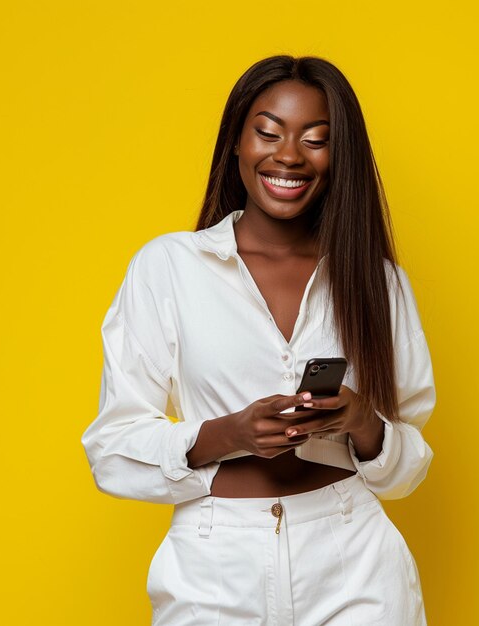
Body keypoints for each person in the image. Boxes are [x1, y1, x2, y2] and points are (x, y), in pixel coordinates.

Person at [82, 54, 436, 626]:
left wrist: (361, 420)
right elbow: (112, 450)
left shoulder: (378, 281)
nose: (289, 155)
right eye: (268, 132)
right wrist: (229, 433)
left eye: (316, 139)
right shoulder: (169, 267)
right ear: (238, 143)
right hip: (215, 564)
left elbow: (409, 467)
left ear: (339, 155)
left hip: (355, 561)